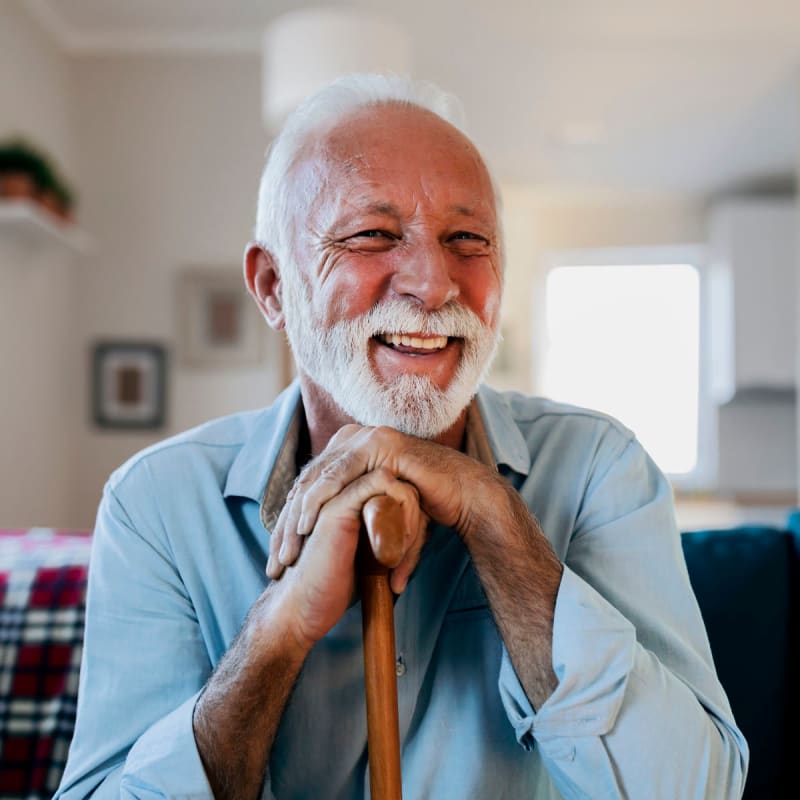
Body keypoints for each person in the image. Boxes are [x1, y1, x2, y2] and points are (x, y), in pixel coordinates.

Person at [56, 74, 747, 800]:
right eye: (373, 235)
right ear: (270, 286)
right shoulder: (156, 502)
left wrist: (496, 519)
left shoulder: (602, 469)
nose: (434, 282)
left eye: (466, 239)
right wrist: (277, 634)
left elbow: (694, 791)